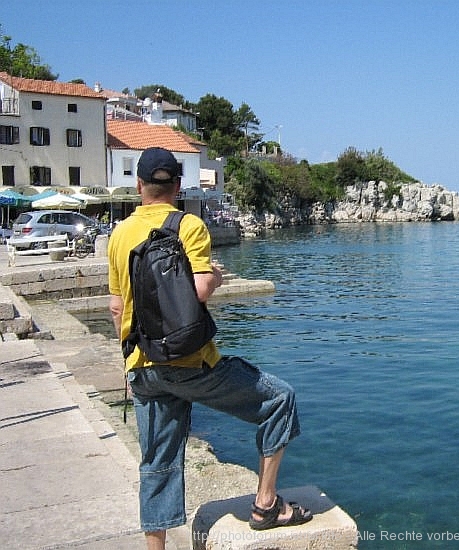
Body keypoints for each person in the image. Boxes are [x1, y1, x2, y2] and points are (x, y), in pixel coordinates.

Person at [108, 147, 312, 550]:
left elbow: (117, 307)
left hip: (143, 367)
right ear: (178, 186)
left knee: (157, 462)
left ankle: (156, 546)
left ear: (139, 186)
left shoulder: (118, 234)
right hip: (190, 362)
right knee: (279, 400)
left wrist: (129, 367)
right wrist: (216, 277)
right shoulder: (189, 225)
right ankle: (266, 505)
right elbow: (200, 289)